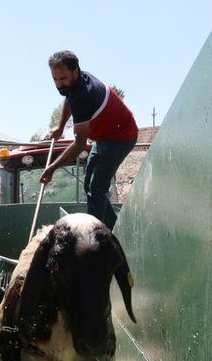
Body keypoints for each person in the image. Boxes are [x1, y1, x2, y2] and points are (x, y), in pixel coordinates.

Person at [40, 50, 138, 230]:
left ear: (75, 71)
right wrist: (60, 126)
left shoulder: (84, 96)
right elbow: (69, 98)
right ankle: (115, 230)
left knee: (96, 189)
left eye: (62, 79)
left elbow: (78, 146)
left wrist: (52, 167)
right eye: (55, 79)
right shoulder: (75, 83)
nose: (59, 84)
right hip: (104, 137)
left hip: (120, 137)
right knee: (89, 187)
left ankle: (95, 240)